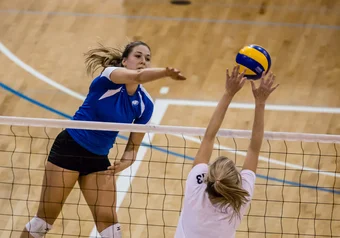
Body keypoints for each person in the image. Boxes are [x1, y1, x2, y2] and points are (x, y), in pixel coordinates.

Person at [20, 41, 186, 238]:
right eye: (138, 56)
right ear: (124, 61)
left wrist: (125, 162)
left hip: (98, 160)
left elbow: (133, 147)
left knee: (110, 228)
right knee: (43, 222)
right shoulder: (109, 76)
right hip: (69, 149)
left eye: (147, 58)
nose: (143, 61)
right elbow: (138, 76)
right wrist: (166, 73)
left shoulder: (144, 104)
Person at [175, 65, 278, 238]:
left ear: (207, 179)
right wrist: (260, 103)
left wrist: (228, 93)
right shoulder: (239, 202)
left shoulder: (196, 188)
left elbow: (209, 137)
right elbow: (254, 148)